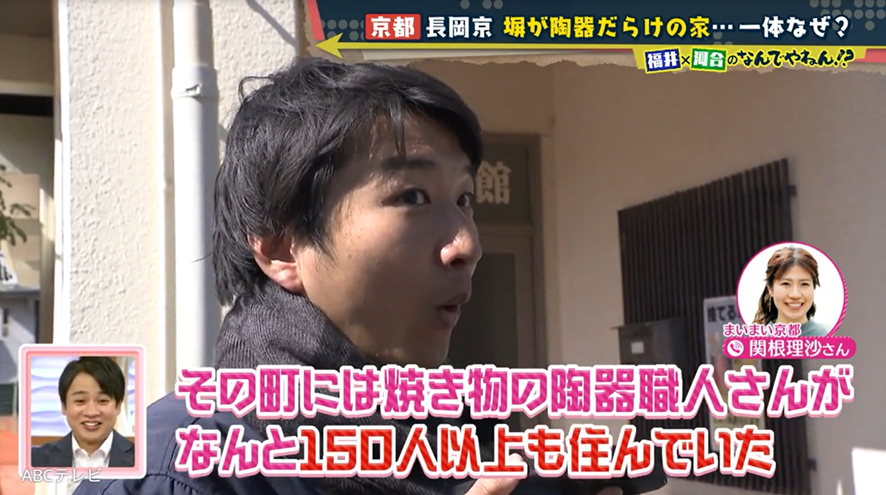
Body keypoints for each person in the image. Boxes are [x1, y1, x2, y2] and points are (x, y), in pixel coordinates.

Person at [77, 58, 665, 495]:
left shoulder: (460, 453)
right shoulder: (176, 470)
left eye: (465, 199)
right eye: (412, 196)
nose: (468, 244)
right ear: (282, 248)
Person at [31, 356, 135, 469]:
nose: (91, 412)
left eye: (102, 401)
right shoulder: (35, 460)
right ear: (64, 406)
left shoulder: (142, 459)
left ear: (118, 406)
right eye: (80, 401)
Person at [752, 245, 830, 337]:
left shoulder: (829, 335)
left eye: (804, 284)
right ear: (771, 289)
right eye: (786, 284)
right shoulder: (757, 340)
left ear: (814, 287)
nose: (795, 294)